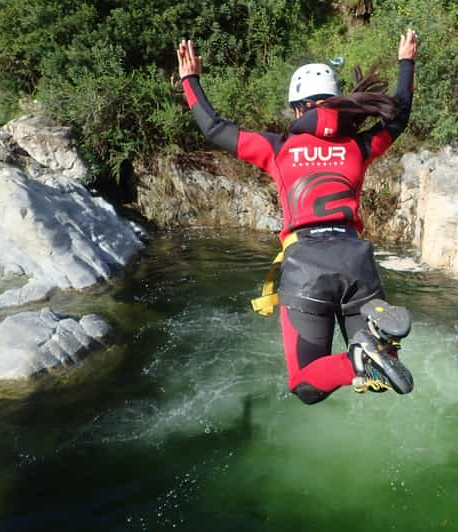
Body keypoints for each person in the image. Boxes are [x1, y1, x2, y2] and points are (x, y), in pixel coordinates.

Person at [176, 29, 419, 405]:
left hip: (306, 267)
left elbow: (214, 128)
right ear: (336, 102)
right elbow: (397, 118)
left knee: (306, 385)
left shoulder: (279, 148)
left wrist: (190, 80)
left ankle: (356, 360)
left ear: (296, 109)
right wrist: (406, 62)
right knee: (382, 363)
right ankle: (376, 350)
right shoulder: (358, 145)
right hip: (357, 263)